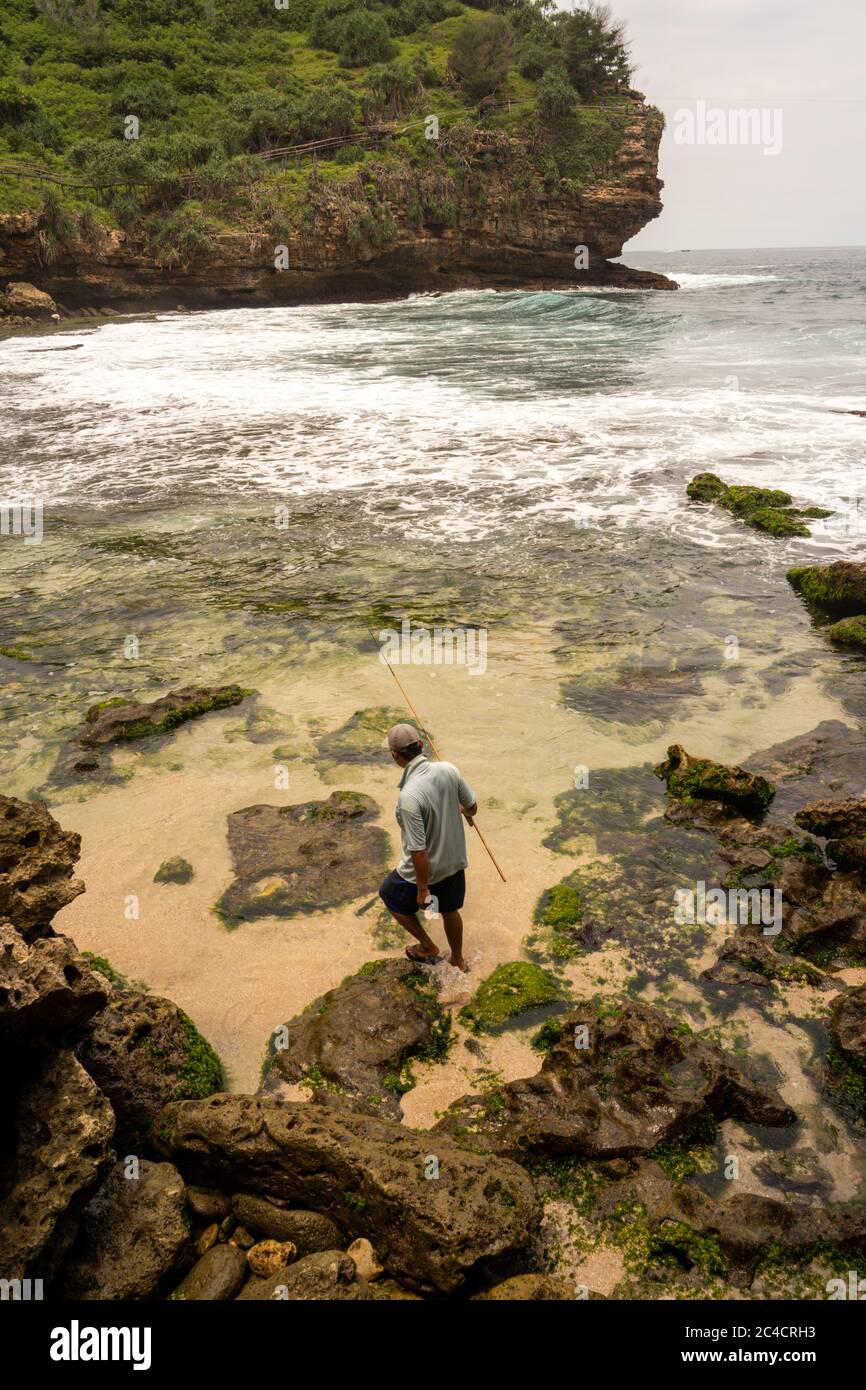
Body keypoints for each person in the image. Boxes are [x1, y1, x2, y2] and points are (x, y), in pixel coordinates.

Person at [378, 723, 477, 972]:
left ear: (394, 756)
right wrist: (463, 811)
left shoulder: (409, 796)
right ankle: (458, 959)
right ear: (422, 745)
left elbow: (418, 849)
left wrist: (422, 889)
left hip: (426, 869)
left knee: (389, 894)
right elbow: (473, 806)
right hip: (454, 861)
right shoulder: (448, 769)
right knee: (450, 909)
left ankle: (428, 946)